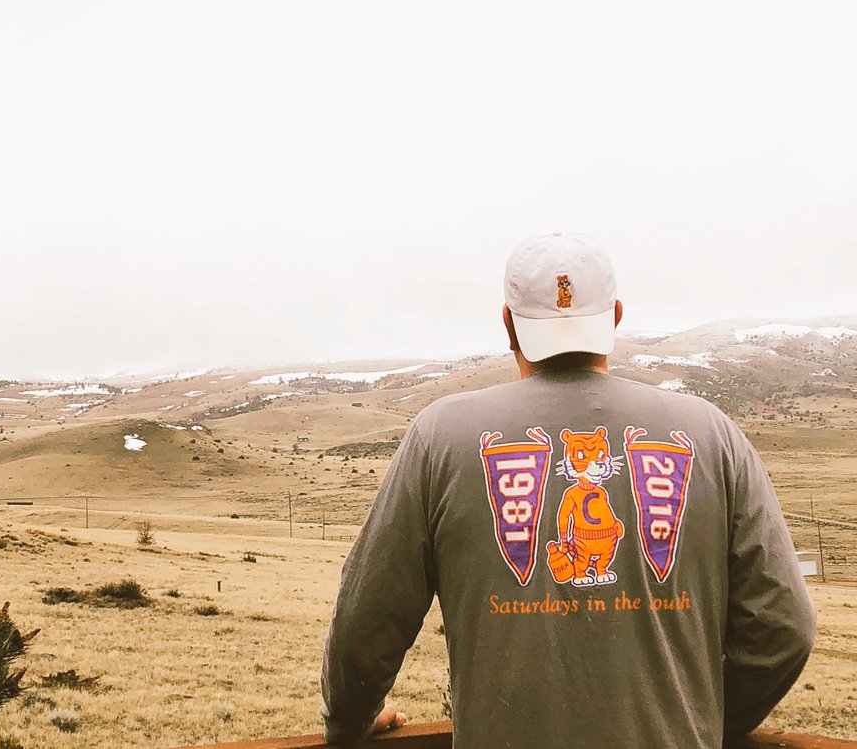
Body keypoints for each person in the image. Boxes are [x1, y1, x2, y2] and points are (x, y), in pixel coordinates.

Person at [321, 232, 816, 747]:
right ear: (617, 317)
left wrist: (348, 722)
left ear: (508, 324)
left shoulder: (439, 436)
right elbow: (784, 627)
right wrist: (701, 721)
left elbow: (366, 619)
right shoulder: (712, 434)